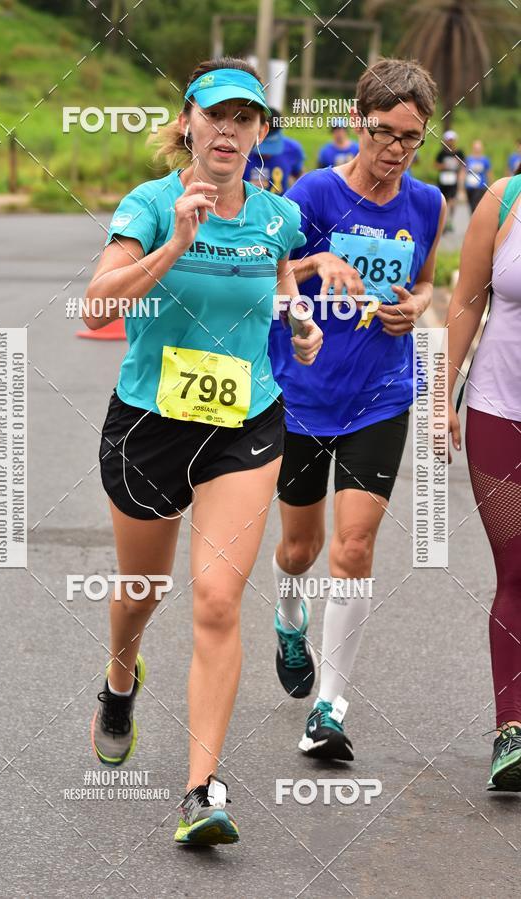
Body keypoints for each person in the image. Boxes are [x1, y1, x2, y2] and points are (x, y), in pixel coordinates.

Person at [84, 57, 321, 846]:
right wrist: (175, 241)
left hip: (245, 423)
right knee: (142, 589)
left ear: (261, 133)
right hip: (149, 423)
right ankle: (121, 679)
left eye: (245, 118)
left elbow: (278, 275)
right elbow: (97, 303)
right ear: (187, 120)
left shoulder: (278, 216)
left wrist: (297, 321)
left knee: (217, 599)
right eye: (215, 115)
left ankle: (202, 788)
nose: (229, 130)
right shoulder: (151, 204)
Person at [268, 57, 446, 762]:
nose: (397, 149)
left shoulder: (426, 204)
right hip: (305, 394)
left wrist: (417, 307)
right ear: (356, 123)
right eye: (384, 133)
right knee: (300, 549)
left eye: (412, 137)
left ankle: (330, 707)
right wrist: (316, 271)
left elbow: (428, 277)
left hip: (380, 396)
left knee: (355, 546)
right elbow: (270, 270)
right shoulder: (314, 193)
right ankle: (288, 614)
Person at [447, 172, 521, 791]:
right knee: (517, 571)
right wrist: (438, 395)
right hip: (500, 413)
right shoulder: (504, 199)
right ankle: (511, 729)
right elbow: (466, 302)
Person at [243, 107, 305, 195]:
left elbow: (299, 175)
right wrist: (245, 189)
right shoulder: (240, 149)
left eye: (272, 147)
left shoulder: (292, 149)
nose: (266, 154)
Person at [435, 130, 465, 232]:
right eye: (448, 140)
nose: (450, 142)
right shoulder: (441, 153)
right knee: (443, 202)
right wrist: (444, 166)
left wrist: (461, 178)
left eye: (452, 140)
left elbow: (463, 166)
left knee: (452, 201)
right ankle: (442, 222)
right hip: (443, 181)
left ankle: (449, 220)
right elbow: (436, 165)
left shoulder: (459, 153)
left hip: (453, 181)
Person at [464, 140, 492, 214]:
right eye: (476, 147)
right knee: (471, 205)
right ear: (473, 148)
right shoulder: (469, 159)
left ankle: (475, 221)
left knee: (475, 205)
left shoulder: (485, 160)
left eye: (479, 148)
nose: (477, 149)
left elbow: (489, 173)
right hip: (469, 186)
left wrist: (490, 186)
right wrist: (462, 186)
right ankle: (473, 219)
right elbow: (464, 172)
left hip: (480, 186)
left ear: (482, 149)